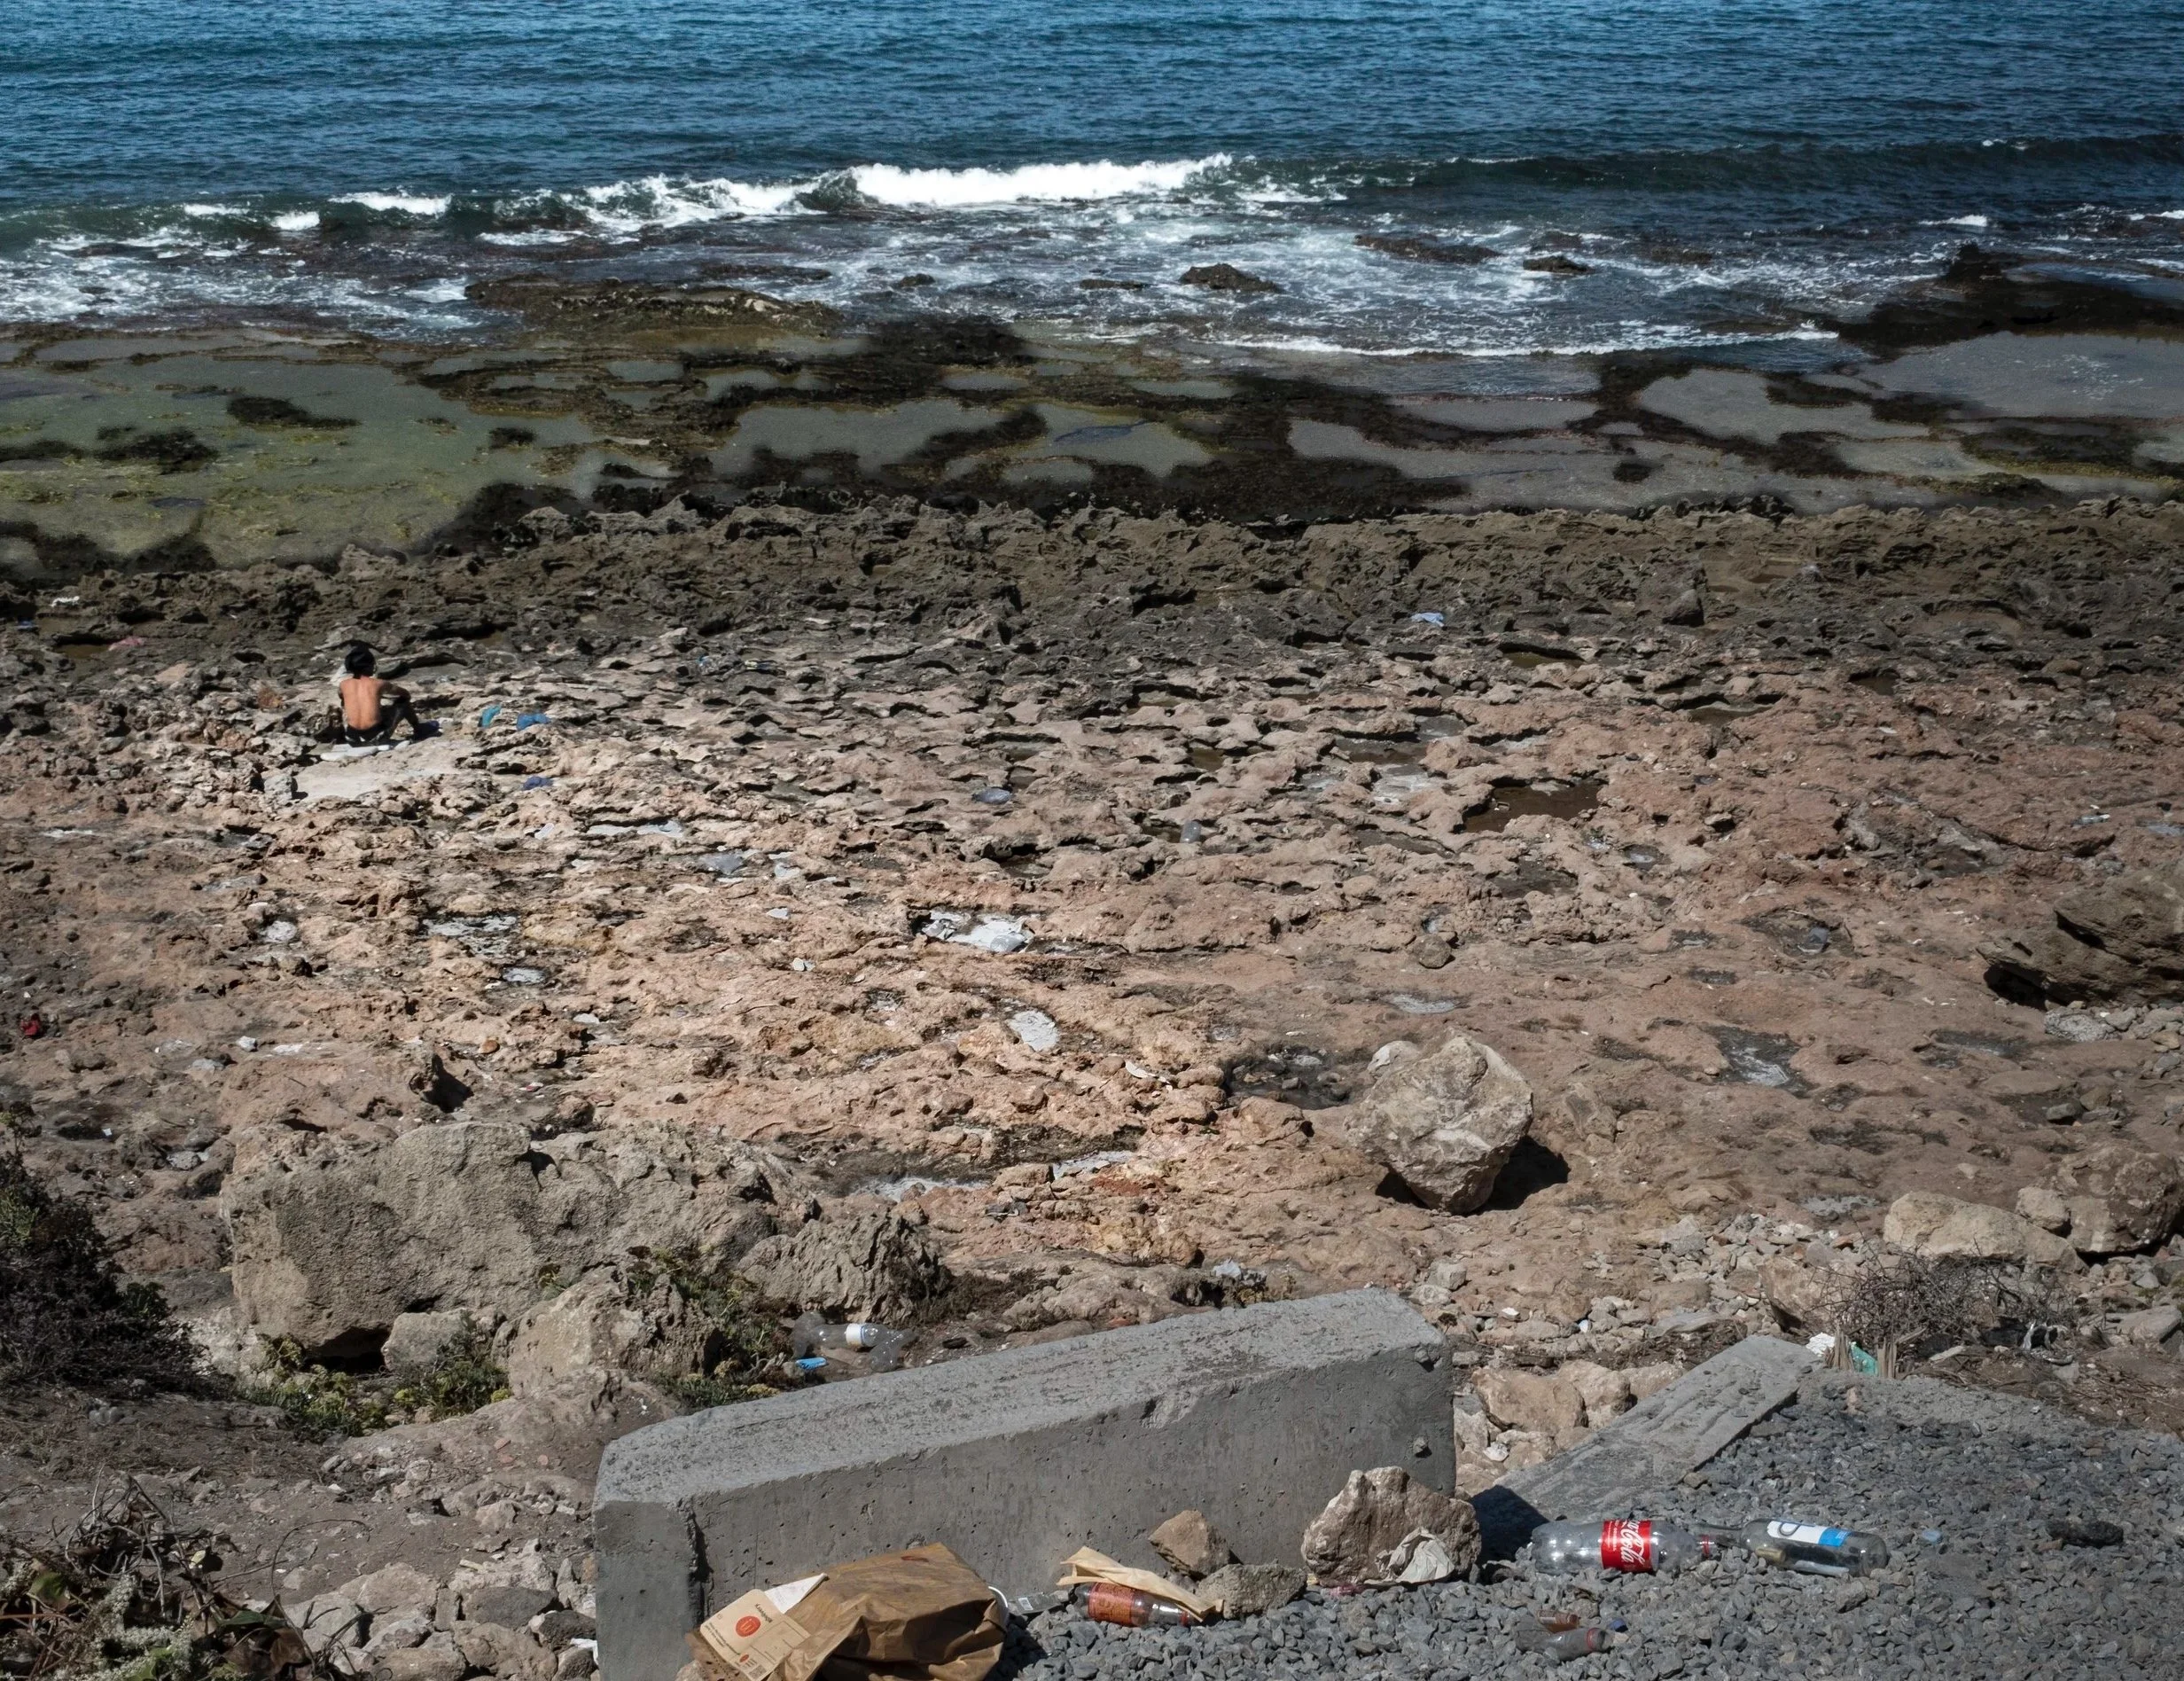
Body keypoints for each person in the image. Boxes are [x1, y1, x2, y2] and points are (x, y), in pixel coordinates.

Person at [338, 644, 425, 745]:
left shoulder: (343, 685)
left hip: (352, 736)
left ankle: (354, 735)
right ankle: (419, 730)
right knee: (403, 702)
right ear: (370, 666)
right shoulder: (379, 683)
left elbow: (342, 696)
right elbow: (405, 693)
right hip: (376, 735)